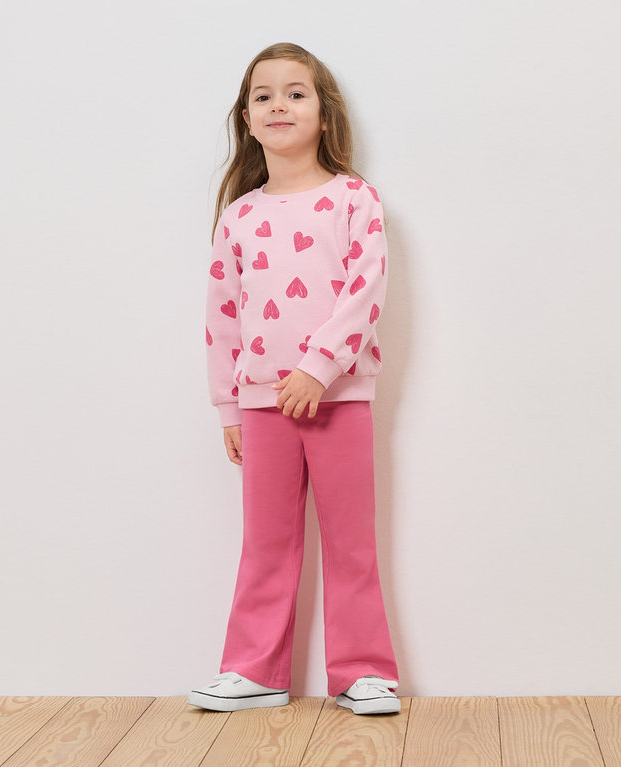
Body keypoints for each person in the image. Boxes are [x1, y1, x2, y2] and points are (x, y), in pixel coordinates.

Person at [190, 42, 399, 716]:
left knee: (350, 541)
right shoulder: (239, 216)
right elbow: (222, 314)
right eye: (263, 95)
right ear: (247, 120)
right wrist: (229, 405)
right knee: (267, 542)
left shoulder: (354, 200)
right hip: (260, 408)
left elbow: (366, 291)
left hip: (339, 400)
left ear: (325, 116)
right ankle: (254, 669)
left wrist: (316, 368)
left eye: (296, 92)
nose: (278, 103)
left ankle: (364, 670)